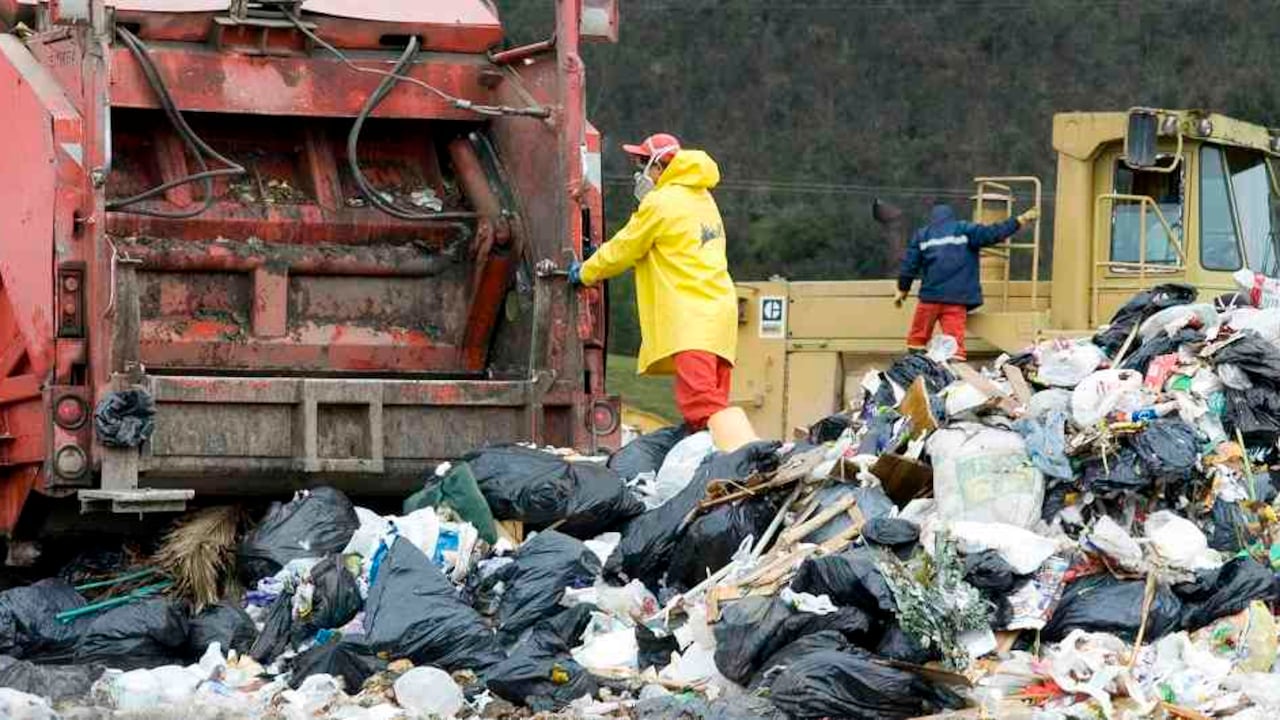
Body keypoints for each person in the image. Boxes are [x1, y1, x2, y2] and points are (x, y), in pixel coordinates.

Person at [569, 133, 755, 449]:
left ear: (660, 166)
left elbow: (624, 248)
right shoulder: (703, 197)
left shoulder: (661, 202)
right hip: (719, 318)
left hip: (692, 318)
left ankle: (735, 461)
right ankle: (735, 466)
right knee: (715, 404)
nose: (639, 172)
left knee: (702, 409)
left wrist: (585, 271)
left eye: (642, 164)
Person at [893, 203, 1038, 360]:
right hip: (956, 298)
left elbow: (909, 265)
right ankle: (955, 368)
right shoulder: (965, 230)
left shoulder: (923, 235)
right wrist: (1019, 220)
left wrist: (903, 288)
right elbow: (993, 233)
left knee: (917, 338)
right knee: (955, 344)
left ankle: (914, 365)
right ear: (951, 218)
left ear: (932, 219)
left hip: (930, 297)